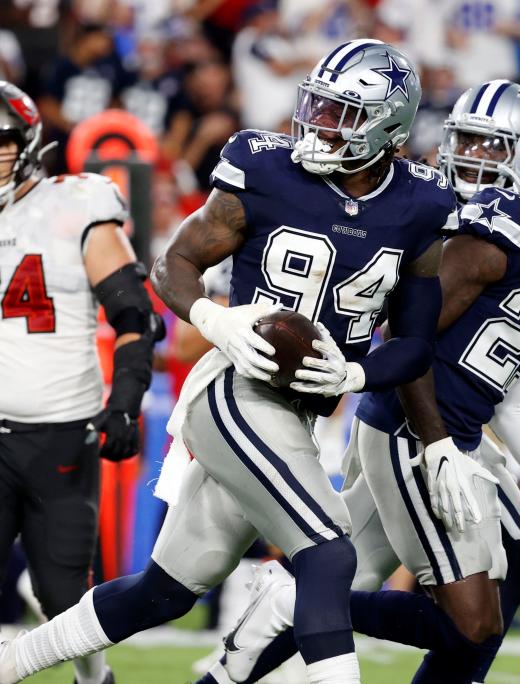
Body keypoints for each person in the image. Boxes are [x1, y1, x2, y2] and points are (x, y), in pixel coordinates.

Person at [0, 38, 451, 684]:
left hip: (298, 415)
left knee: (165, 590)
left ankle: (12, 661)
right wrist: (215, 318)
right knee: (327, 553)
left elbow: (413, 344)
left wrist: (355, 373)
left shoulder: (422, 207)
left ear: (389, 129)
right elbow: (173, 262)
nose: (319, 124)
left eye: (341, 114)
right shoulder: (265, 169)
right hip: (237, 389)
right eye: (317, 106)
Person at [197, 89, 520, 684]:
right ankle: (295, 607)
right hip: (417, 428)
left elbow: (514, 398)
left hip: (446, 431)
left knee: (490, 560)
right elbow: (408, 339)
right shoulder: (495, 231)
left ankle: (240, 658)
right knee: (469, 620)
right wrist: (439, 442)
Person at [0, 81, 164, 684]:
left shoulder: (75, 206)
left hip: (59, 432)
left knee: (62, 591)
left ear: (27, 145)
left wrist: (124, 403)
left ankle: (96, 680)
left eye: (2, 142)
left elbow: (135, 317)